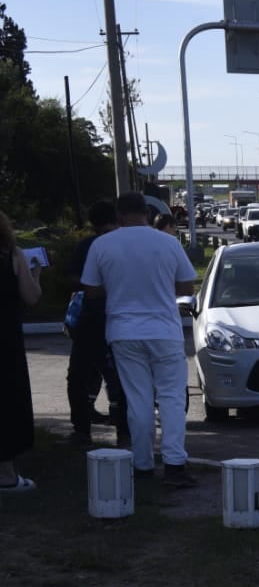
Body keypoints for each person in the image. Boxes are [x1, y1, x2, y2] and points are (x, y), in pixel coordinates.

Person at [81, 191, 199, 488]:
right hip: (164, 330)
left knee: (138, 400)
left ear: (118, 216)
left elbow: (91, 290)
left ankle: (143, 465)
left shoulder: (102, 245)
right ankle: (174, 465)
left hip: (123, 331)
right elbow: (186, 284)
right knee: (171, 398)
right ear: (147, 213)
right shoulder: (168, 242)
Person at [65, 200, 128, 447]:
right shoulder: (125, 244)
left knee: (78, 377)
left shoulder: (87, 245)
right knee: (120, 378)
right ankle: (124, 431)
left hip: (91, 321)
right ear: (116, 218)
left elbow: (74, 280)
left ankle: (81, 431)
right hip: (122, 318)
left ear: (92, 222)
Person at [0, 211, 43, 492]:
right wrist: (36, 272)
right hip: (5, 341)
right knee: (7, 402)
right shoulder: (12, 256)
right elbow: (32, 296)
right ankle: (6, 475)